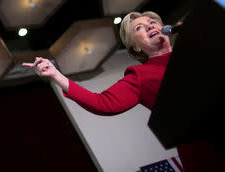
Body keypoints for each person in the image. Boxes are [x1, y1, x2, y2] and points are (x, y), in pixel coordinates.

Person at [23, 11, 224, 171]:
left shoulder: (199, 49)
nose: (149, 26)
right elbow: (102, 103)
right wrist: (57, 75)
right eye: (140, 28)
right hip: (206, 150)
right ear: (135, 48)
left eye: (153, 22)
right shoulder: (140, 75)